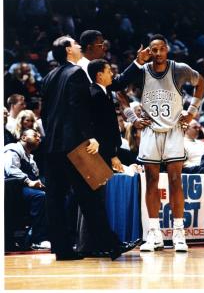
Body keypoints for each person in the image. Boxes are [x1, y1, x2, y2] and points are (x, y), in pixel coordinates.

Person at [41, 35, 139, 261]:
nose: (78, 47)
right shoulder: (76, 73)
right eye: (75, 44)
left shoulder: (48, 77)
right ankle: (111, 246)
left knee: (55, 199)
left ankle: (62, 249)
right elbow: (79, 109)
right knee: (91, 197)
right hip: (74, 147)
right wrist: (89, 137)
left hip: (52, 147)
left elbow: (46, 115)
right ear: (68, 50)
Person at [121, 34, 204, 252]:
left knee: (176, 180)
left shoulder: (180, 69)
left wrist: (192, 112)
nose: (157, 53)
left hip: (174, 130)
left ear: (167, 49)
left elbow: (201, 82)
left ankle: (179, 233)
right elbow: (118, 88)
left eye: (160, 49)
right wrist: (131, 117)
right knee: (151, 180)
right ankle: (154, 233)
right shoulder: (141, 71)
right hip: (150, 130)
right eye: (153, 50)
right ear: (149, 51)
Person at [4, 129, 50, 250]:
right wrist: (29, 181)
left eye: (40, 136)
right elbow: (11, 169)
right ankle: (38, 239)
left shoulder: (30, 157)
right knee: (40, 196)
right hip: (11, 189)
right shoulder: (12, 149)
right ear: (23, 137)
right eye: (35, 135)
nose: (39, 138)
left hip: (22, 188)